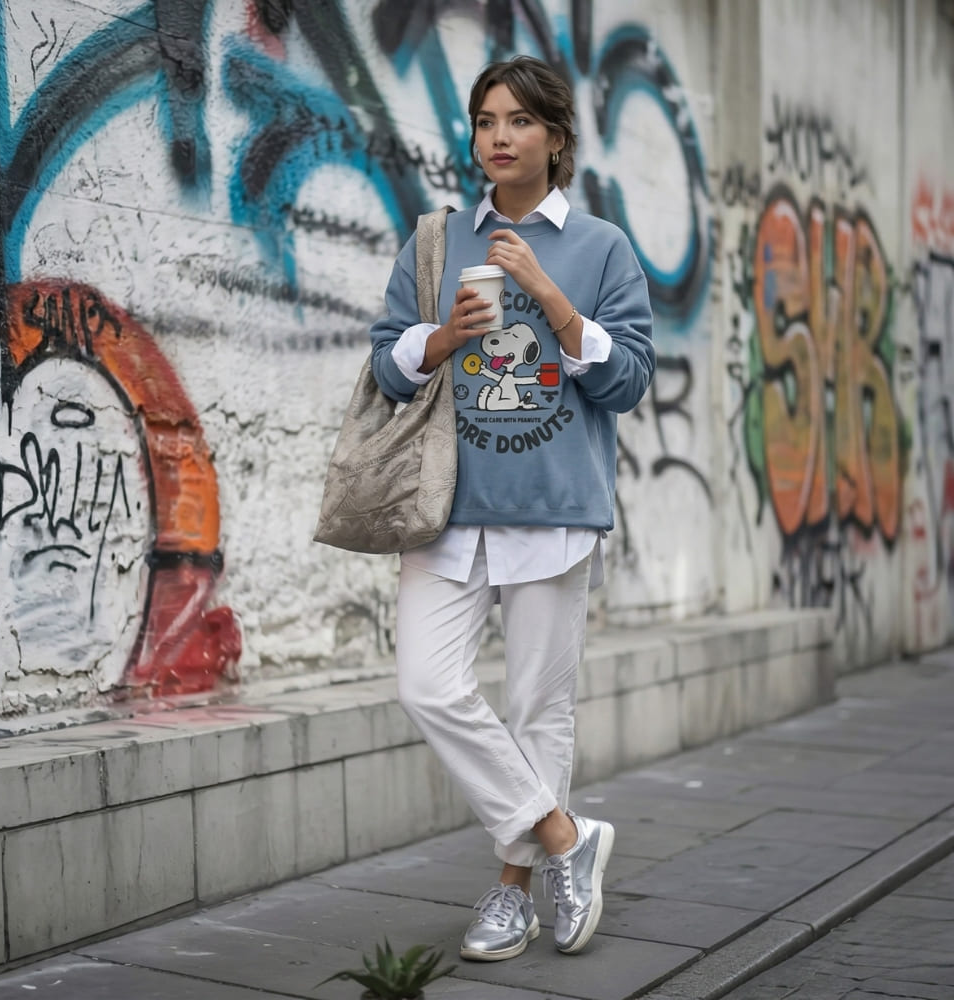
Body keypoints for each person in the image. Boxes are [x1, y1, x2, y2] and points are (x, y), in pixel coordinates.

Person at [369, 55, 655, 961]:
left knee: (538, 710)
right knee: (427, 685)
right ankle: (566, 836)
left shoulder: (602, 248)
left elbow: (628, 380)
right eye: (487, 120)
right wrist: (439, 339)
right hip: (448, 508)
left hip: (554, 509)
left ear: (557, 137)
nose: (500, 136)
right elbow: (385, 364)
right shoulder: (437, 240)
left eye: (520, 120)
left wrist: (551, 297)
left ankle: (513, 892)